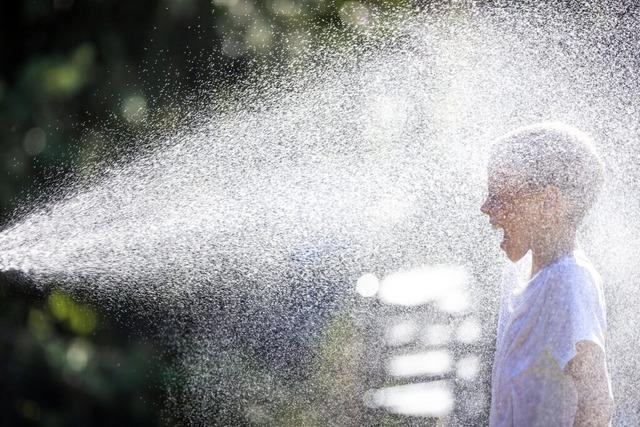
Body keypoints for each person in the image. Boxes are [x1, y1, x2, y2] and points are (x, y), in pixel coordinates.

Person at [481, 122, 614, 426]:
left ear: (548, 203)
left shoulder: (571, 282)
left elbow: (596, 408)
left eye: (500, 195)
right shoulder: (517, 277)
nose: (486, 207)